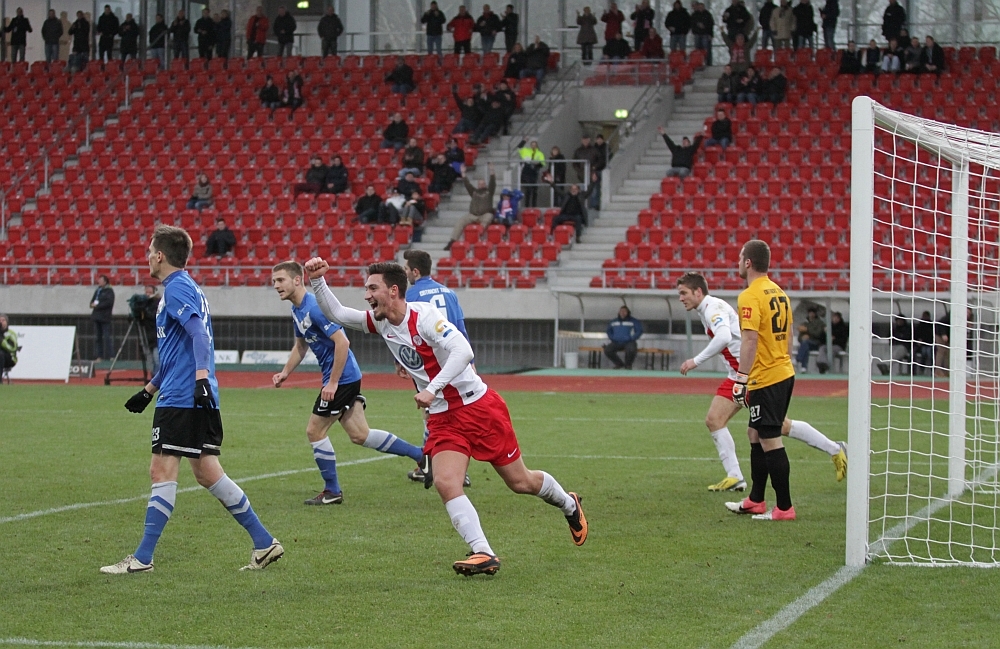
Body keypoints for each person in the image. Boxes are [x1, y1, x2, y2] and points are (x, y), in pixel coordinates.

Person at [304, 258, 588, 576]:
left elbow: (463, 351)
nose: (366, 295)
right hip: (443, 417)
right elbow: (338, 314)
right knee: (445, 481)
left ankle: (569, 504)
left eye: (372, 288)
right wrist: (317, 281)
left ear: (393, 290)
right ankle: (483, 552)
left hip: (478, 408)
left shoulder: (424, 317)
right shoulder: (381, 321)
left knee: (521, 482)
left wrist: (432, 388)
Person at [103, 226, 283, 574]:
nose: (147, 257)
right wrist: (149, 389)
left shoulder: (177, 288)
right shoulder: (182, 288)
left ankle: (142, 559)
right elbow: (177, 352)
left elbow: (199, 334)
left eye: (149, 251)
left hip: (183, 397)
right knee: (207, 472)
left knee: (161, 470)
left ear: (160, 256)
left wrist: (199, 378)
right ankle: (264, 543)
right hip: (189, 393)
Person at [271, 261, 426, 506]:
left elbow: (342, 342)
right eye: (274, 281)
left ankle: (332, 491)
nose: (276, 285)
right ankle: (420, 455)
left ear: (297, 280)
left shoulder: (314, 307)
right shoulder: (297, 309)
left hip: (342, 378)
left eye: (280, 280)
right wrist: (285, 373)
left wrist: (332, 383)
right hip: (344, 377)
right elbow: (301, 346)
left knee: (314, 431)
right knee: (360, 435)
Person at [676, 272, 847, 491]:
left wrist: (695, 361)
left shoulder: (712, 308)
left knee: (779, 426)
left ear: (698, 291)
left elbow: (724, 337)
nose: (681, 298)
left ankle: (835, 449)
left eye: (684, 293)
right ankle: (735, 476)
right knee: (714, 420)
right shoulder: (707, 308)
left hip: (750, 375)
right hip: (738, 375)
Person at [726, 240, 797, 520]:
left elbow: (750, 340)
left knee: (769, 438)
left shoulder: (750, 295)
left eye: (739, 258)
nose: (737, 262)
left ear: (748, 262)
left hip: (767, 377)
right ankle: (756, 500)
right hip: (781, 372)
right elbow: (788, 337)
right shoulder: (779, 292)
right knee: (754, 433)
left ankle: (784, 508)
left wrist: (741, 379)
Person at [401, 250, 472, 484]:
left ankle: (431, 466)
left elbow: (405, 331)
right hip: (455, 360)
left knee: (433, 414)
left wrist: (401, 361)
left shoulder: (411, 295)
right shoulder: (449, 293)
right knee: (455, 413)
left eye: (406, 269)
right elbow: (460, 329)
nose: (405, 273)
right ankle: (455, 469)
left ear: (415, 271)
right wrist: (469, 363)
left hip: (429, 362)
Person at [445, 164, 497, 249]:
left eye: (483, 183)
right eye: (480, 184)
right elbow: (467, 184)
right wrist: (463, 174)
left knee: (489, 217)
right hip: (473, 215)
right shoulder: (474, 192)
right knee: (461, 221)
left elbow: (493, 182)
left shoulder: (489, 192)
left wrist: (492, 171)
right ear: (478, 185)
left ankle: (478, 234)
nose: (482, 185)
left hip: (484, 215)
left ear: (485, 185)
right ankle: (453, 241)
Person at [545, 174, 597, 243]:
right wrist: (551, 182)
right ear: (570, 190)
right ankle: (551, 235)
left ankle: (578, 237)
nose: (573, 190)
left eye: (575, 189)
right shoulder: (566, 195)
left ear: (578, 190)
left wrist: (593, 182)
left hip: (576, 215)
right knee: (555, 218)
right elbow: (558, 190)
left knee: (579, 219)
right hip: (566, 215)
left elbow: (589, 191)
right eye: (572, 189)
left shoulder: (581, 195)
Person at [135, 285, 160, 375]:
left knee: (157, 359)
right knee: (150, 360)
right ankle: (153, 376)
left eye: (150, 292)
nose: (148, 294)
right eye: (146, 292)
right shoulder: (143, 303)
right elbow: (140, 318)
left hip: (157, 335)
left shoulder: (157, 302)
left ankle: (158, 377)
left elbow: (154, 316)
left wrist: (145, 310)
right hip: (147, 335)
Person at [90, 275, 115, 362]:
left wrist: (97, 306)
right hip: (97, 317)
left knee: (107, 337)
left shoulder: (109, 291)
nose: (99, 282)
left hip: (105, 317)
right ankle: (99, 356)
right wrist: (92, 305)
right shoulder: (98, 291)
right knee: (98, 338)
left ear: (105, 281)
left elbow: (108, 303)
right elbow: (92, 301)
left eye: (101, 280)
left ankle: (111, 355)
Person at [516, 140, 546, 208]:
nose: (533, 146)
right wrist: (524, 141)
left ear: (537, 146)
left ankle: (534, 206)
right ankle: (527, 206)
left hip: (534, 172)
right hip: (526, 172)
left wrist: (537, 164)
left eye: (535, 145)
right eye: (532, 145)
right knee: (528, 189)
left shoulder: (540, 153)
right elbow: (519, 148)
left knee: (535, 190)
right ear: (530, 145)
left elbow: (543, 163)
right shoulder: (526, 151)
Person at [795, 308, 826, 372]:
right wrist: (802, 338)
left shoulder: (820, 323)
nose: (811, 314)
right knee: (805, 346)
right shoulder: (805, 323)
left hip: (816, 343)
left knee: (805, 344)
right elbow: (799, 338)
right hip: (807, 343)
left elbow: (818, 334)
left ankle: (798, 359)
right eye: (810, 313)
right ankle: (804, 367)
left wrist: (807, 330)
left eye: (813, 313)